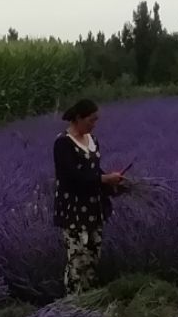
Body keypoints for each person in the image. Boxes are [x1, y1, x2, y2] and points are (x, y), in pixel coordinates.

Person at [53, 99, 126, 295]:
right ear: (78, 118)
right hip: (74, 211)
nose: (94, 124)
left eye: (96, 120)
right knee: (78, 259)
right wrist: (103, 179)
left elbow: (93, 171)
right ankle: (73, 304)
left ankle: (89, 301)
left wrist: (113, 184)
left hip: (95, 209)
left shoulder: (92, 141)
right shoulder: (63, 143)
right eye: (91, 120)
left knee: (93, 257)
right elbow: (72, 177)